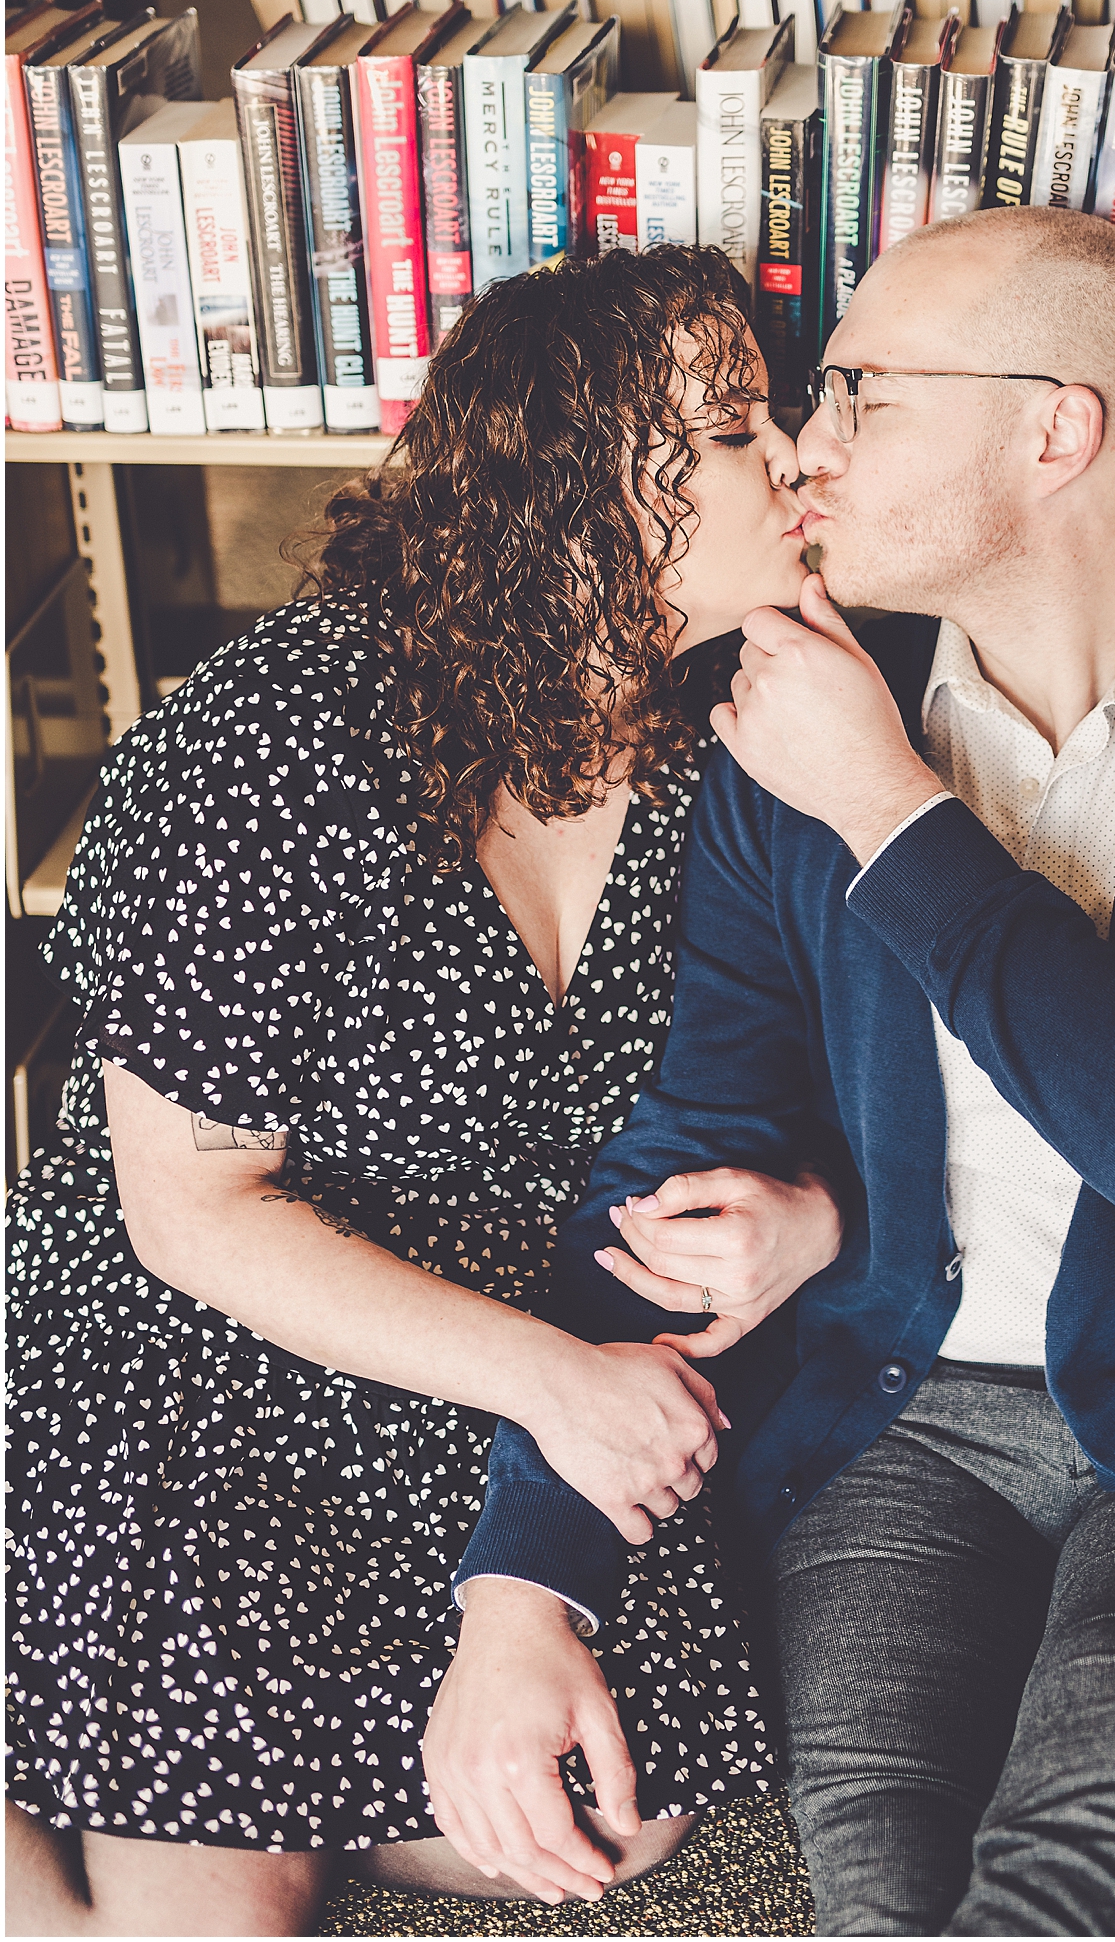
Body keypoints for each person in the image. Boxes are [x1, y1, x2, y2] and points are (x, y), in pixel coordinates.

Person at [430, 207, 1115, 1936]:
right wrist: (521, 1587)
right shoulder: (783, 723)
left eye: (861, 396)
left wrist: (892, 810)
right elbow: (677, 1165)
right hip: (898, 1419)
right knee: (880, 1877)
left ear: (1055, 427)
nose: (803, 450)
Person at [6, 248, 846, 1939]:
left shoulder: (741, 734)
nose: (803, 459)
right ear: (592, 478)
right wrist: (558, 1385)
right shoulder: (272, 738)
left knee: (630, 1812)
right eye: (743, 427)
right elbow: (196, 1214)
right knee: (223, 1898)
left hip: (488, 1333)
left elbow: (820, 1085)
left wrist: (816, 1217)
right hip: (213, 1345)